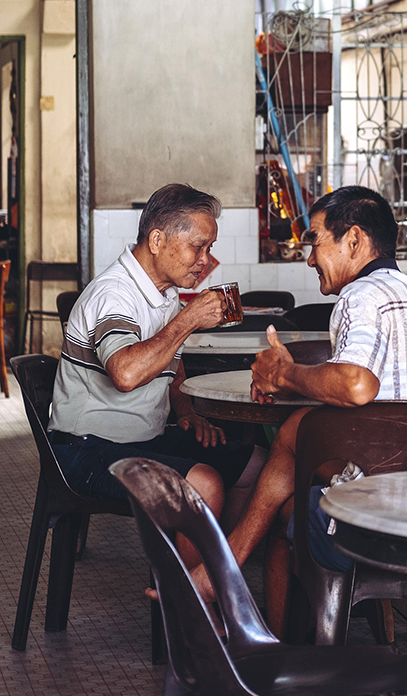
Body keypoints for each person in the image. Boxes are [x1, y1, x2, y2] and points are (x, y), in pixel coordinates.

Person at [193, 184, 407, 625]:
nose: (309, 258)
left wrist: (282, 375)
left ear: (354, 240)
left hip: (383, 515)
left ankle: (244, 596)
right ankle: (227, 572)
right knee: (298, 431)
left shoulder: (360, 296)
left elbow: (358, 386)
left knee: (290, 466)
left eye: (315, 241)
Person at [49, 184, 265, 552]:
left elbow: (171, 367)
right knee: (205, 483)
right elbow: (126, 374)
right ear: (156, 240)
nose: (205, 259)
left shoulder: (164, 293)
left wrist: (185, 411)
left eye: (209, 248)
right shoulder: (114, 293)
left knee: (255, 465)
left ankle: (210, 576)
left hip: (142, 438)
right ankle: (186, 603)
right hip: (84, 448)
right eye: (198, 246)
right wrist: (189, 319)